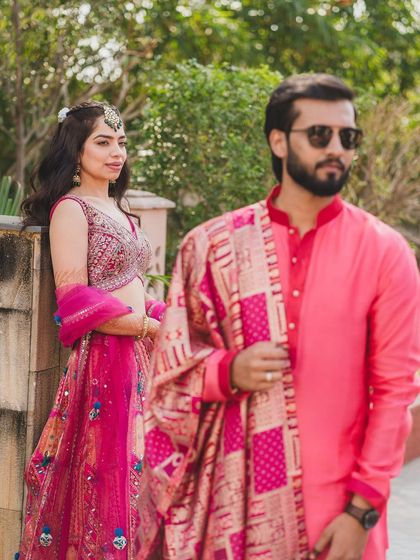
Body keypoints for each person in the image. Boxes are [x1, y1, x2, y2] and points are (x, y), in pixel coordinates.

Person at [135, 74, 420, 560]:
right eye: (319, 135)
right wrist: (228, 371)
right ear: (278, 141)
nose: (337, 149)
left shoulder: (384, 252)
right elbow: (169, 369)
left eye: (348, 138)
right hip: (228, 509)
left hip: (336, 517)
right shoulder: (212, 246)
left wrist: (361, 513)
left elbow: (396, 392)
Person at [18, 101, 165, 559]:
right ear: (75, 150)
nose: (116, 151)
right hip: (107, 360)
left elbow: (133, 284)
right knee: (107, 479)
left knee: (142, 478)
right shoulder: (72, 209)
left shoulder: (118, 209)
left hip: (138, 355)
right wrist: (144, 324)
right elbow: (74, 296)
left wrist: (167, 315)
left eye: (120, 141)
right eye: (102, 142)